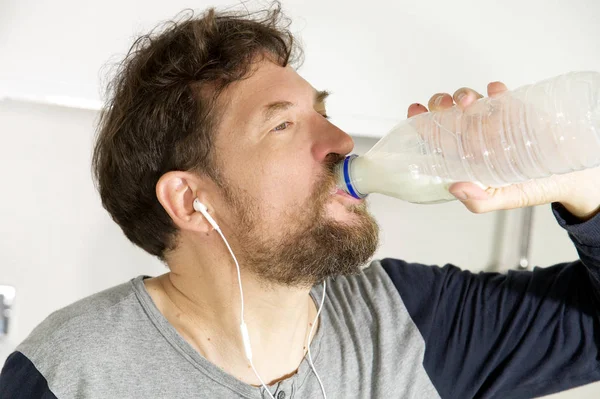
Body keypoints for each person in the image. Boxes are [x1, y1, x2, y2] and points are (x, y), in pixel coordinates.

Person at [2, 4, 600, 399]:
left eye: (324, 112)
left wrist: (581, 188)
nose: (340, 143)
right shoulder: (67, 373)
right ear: (190, 200)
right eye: (283, 126)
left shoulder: (406, 319)